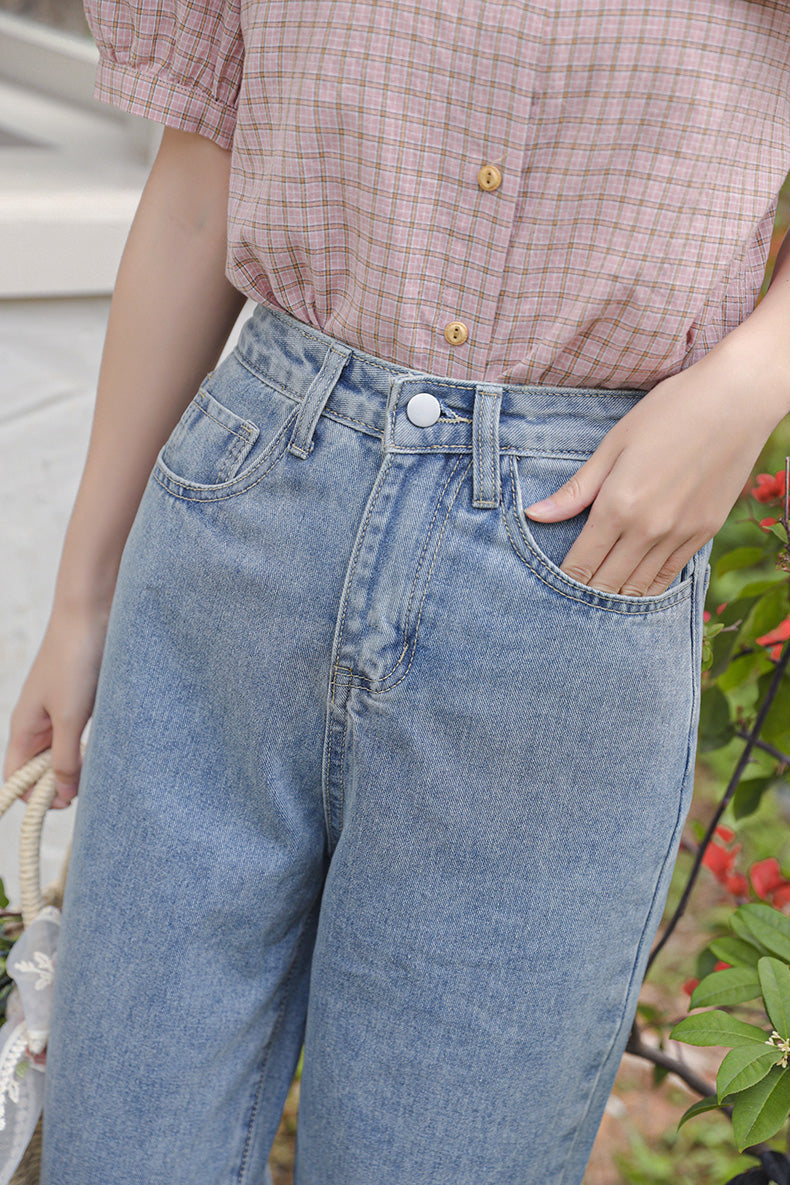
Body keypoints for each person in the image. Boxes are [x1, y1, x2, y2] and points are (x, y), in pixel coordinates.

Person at [4, 1, 790, 1182]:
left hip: (569, 550)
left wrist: (753, 379)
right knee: (121, 1151)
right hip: (246, 512)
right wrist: (83, 597)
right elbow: (199, 182)